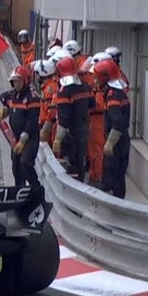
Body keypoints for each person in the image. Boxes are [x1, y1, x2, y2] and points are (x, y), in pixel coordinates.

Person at [0, 65, 42, 188]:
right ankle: (19, 189)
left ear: (25, 81)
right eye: (14, 81)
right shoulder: (13, 94)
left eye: (18, 81)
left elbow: (31, 122)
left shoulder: (32, 98)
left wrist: (23, 140)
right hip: (16, 137)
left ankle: (36, 188)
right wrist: (5, 109)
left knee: (25, 162)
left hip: (30, 137)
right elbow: (4, 98)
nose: (16, 84)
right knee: (16, 166)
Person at [93, 58, 131, 198]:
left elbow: (117, 122)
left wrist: (110, 143)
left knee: (112, 173)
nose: (95, 80)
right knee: (118, 175)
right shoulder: (117, 92)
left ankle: (115, 203)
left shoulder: (113, 96)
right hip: (121, 140)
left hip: (117, 142)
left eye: (97, 77)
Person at [53, 56, 94, 181]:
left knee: (69, 161)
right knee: (80, 159)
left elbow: (64, 119)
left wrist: (58, 139)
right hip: (83, 128)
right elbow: (92, 104)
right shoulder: (85, 86)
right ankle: (80, 181)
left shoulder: (64, 91)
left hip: (69, 133)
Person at [79, 52, 113, 186]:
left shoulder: (107, 89)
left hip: (98, 119)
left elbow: (99, 105)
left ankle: (97, 178)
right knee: (93, 149)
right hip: (95, 119)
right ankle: (96, 175)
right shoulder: (101, 86)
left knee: (96, 150)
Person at [35, 58, 59, 147]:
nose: (36, 76)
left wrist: (45, 130)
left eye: (37, 73)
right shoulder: (49, 87)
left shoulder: (50, 89)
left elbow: (50, 113)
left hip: (49, 128)